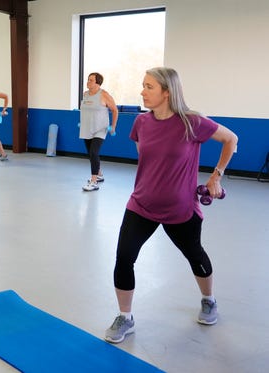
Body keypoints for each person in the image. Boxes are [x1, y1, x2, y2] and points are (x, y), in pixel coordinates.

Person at [104, 67, 238, 344]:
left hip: (180, 209)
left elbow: (231, 139)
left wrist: (216, 175)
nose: (142, 91)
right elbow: (147, 159)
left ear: (167, 91)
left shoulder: (192, 122)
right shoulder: (141, 122)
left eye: (149, 86)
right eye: (143, 85)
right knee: (124, 257)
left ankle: (208, 299)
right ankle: (125, 317)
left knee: (194, 255)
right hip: (140, 204)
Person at [79, 72, 118, 191]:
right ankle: (99, 174)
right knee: (90, 153)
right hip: (86, 128)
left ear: (98, 83)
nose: (88, 82)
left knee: (94, 152)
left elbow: (115, 110)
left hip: (100, 129)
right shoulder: (85, 94)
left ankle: (94, 181)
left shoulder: (104, 95)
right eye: (88, 79)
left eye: (91, 80)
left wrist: (113, 126)